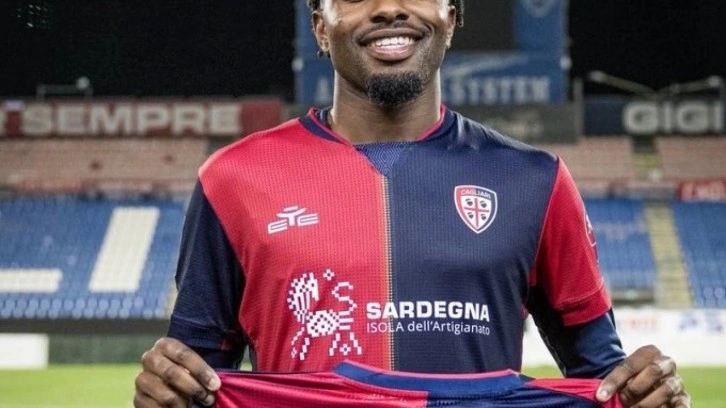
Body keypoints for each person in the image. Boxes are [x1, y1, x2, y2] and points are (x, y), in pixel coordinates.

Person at [134, 1, 690, 407]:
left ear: (452, 15)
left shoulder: (536, 180)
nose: (388, 9)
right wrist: (165, 387)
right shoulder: (234, 179)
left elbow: (602, 376)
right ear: (320, 27)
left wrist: (647, 389)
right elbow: (195, 378)